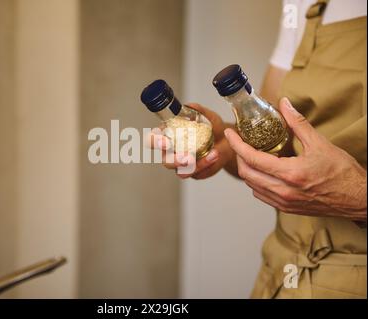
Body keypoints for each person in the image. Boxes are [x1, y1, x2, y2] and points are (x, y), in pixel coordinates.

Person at [149, 0, 367, 298]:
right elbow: (270, 141)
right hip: (283, 271)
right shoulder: (303, 5)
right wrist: (223, 147)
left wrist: (358, 196)